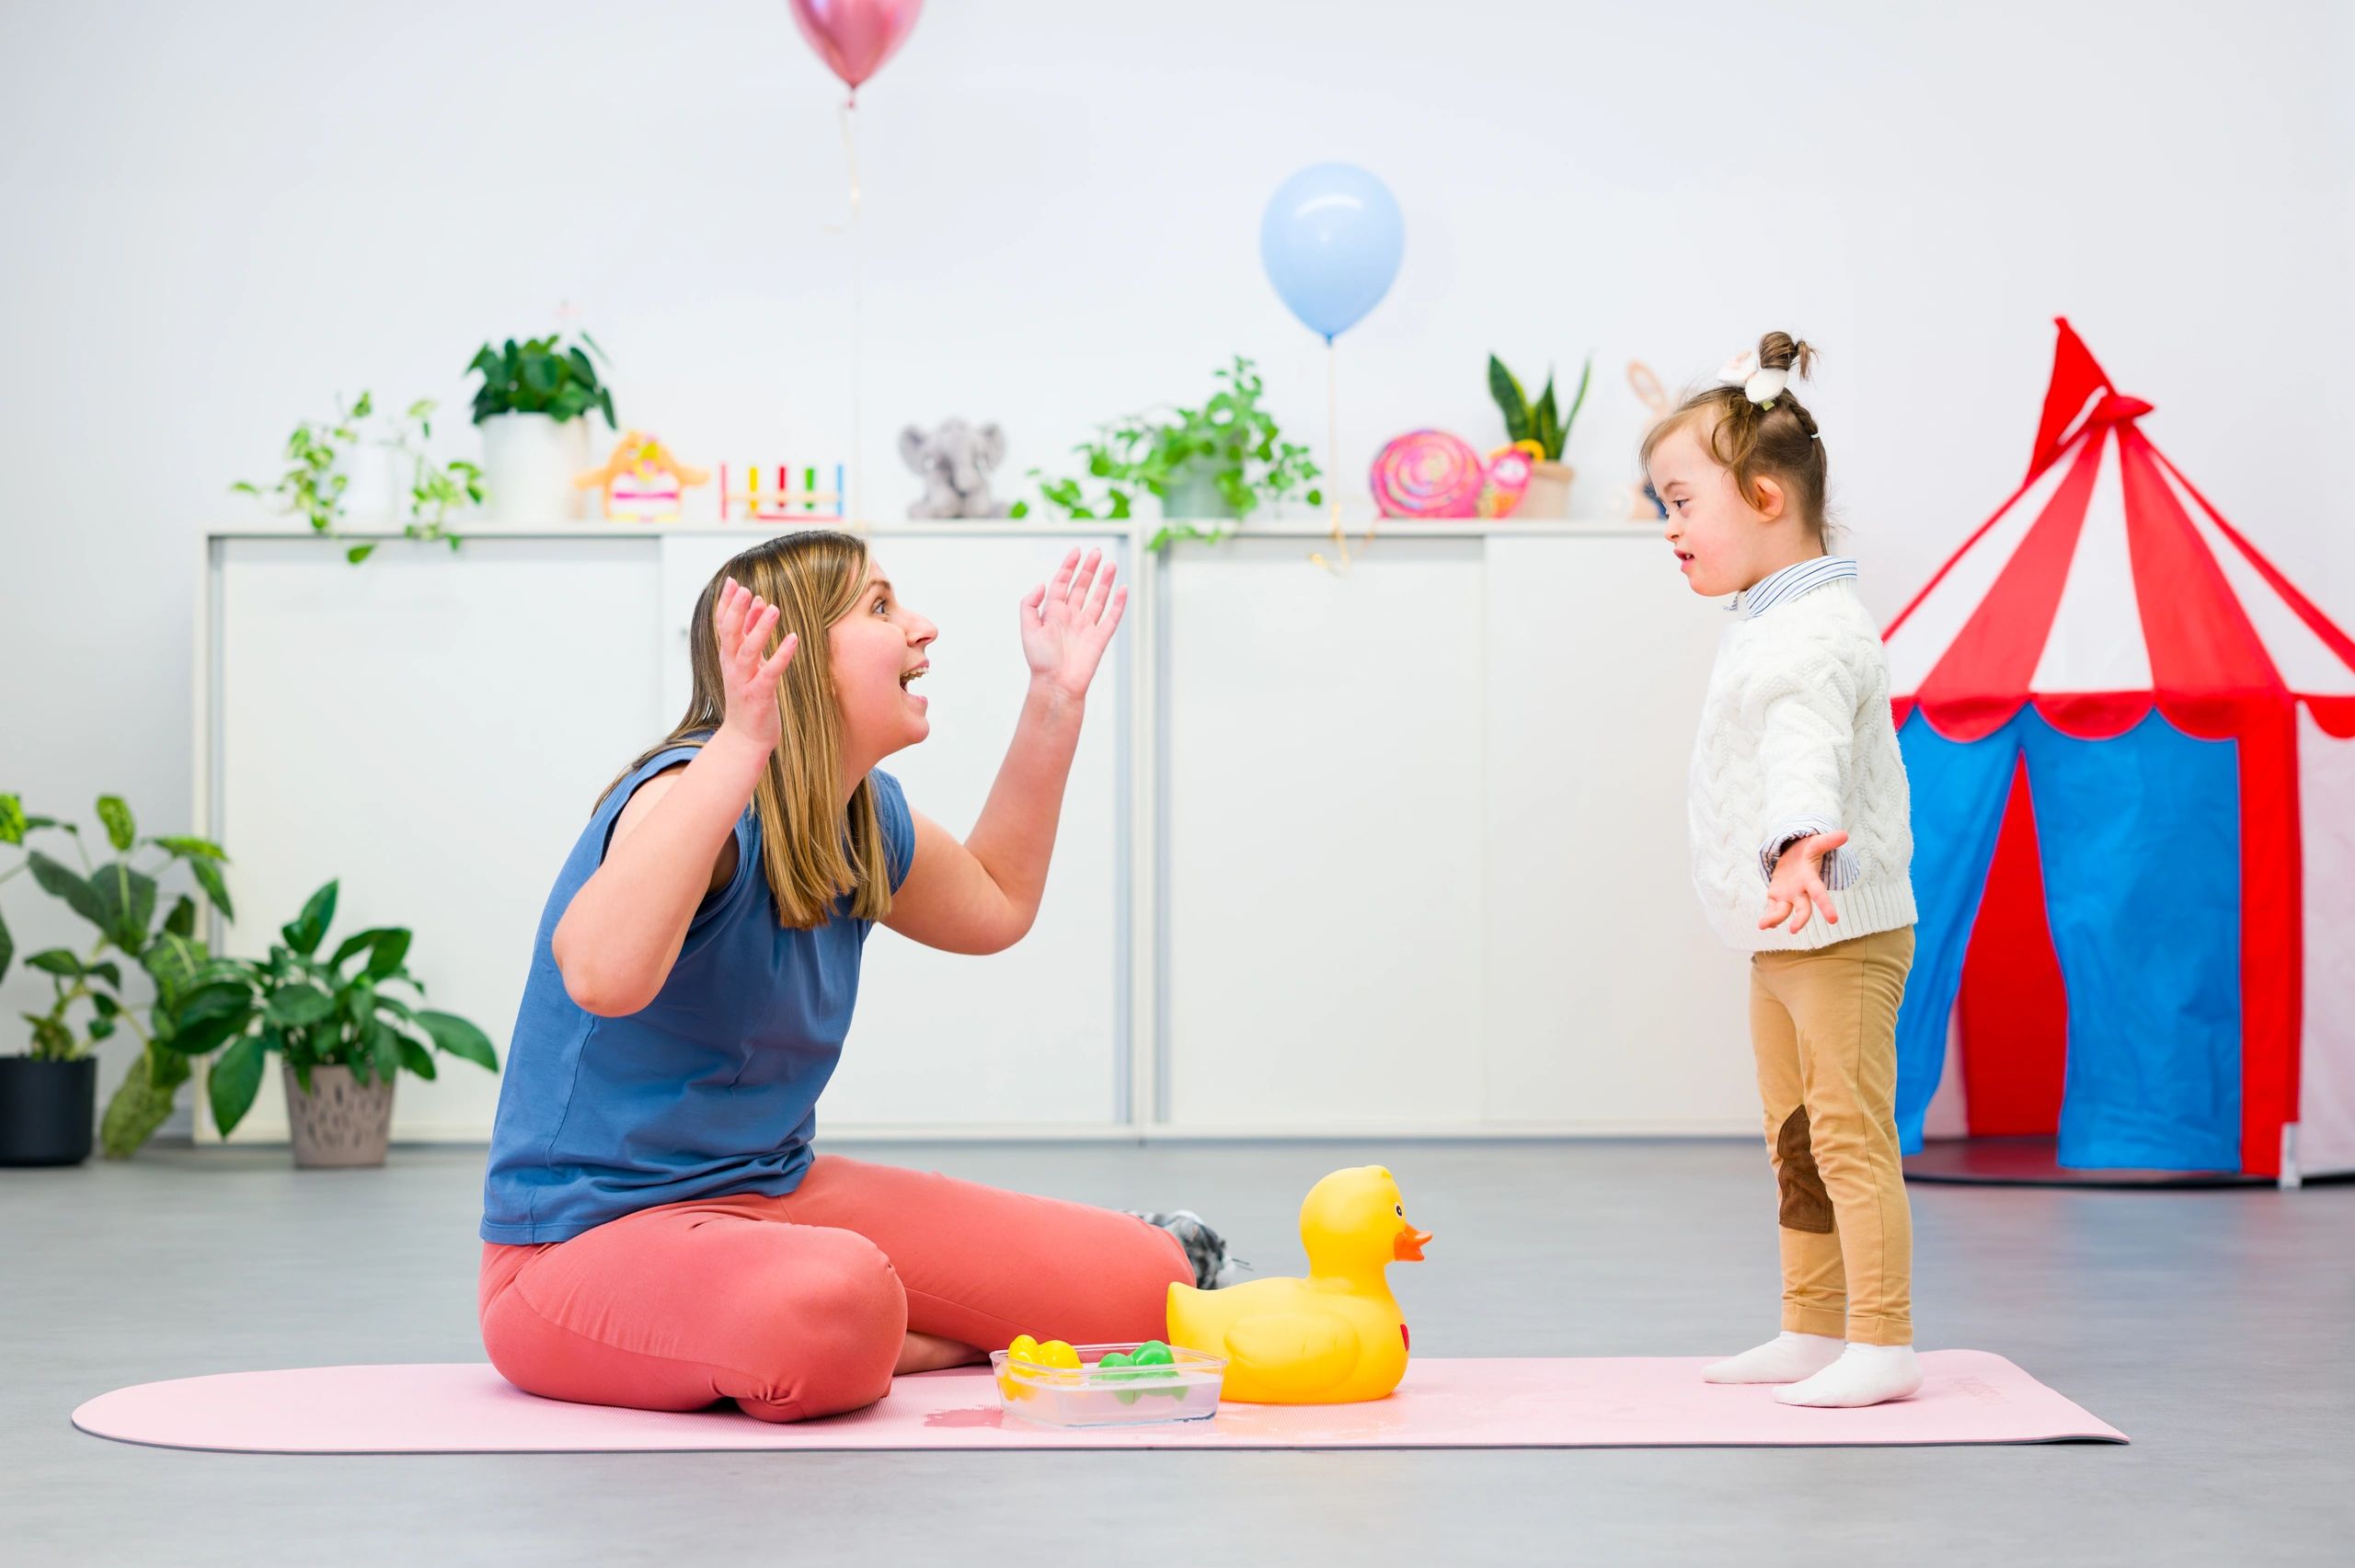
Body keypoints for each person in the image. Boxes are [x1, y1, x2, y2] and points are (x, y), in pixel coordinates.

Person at [477, 532, 1224, 1423]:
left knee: (1151, 1283)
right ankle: (892, 1329)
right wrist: (743, 742)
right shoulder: (680, 795)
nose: (922, 627)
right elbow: (601, 976)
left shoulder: (863, 816)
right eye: (879, 607)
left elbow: (995, 906)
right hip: (575, 1249)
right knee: (832, 1304)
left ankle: (884, 1326)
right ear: (791, 656)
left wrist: (1055, 697)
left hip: (772, 1194)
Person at [1646, 333, 1924, 1408]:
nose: (1667, 528)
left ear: (1764, 497)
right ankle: (1811, 1325)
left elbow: (1805, 744)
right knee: (1796, 1133)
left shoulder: (1810, 633)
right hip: (1788, 925)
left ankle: (1882, 1340)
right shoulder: (1770, 617)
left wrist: (1803, 843)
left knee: (1848, 1130)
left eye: (1680, 503)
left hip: (1837, 924)